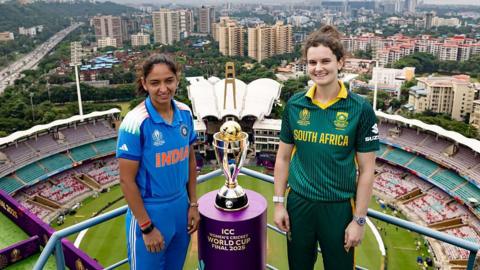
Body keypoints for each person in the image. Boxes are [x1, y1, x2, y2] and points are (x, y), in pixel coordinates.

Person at [273, 25, 379, 270]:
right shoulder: (295, 105)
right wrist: (279, 204)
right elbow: (283, 158)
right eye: (312, 62)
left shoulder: (360, 109)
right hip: (299, 204)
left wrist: (359, 221)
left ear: (340, 62)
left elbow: (366, 170)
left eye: (325, 61)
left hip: (339, 208)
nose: (318, 68)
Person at [116, 54, 200, 270]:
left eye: (169, 80)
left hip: (181, 208)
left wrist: (193, 204)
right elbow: (126, 181)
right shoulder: (135, 122)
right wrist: (146, 227)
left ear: (177, 80)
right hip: (151, 213)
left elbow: (190, 160)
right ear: (144, 83)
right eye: (155, 82)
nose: (163, 88)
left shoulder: (185, 113)